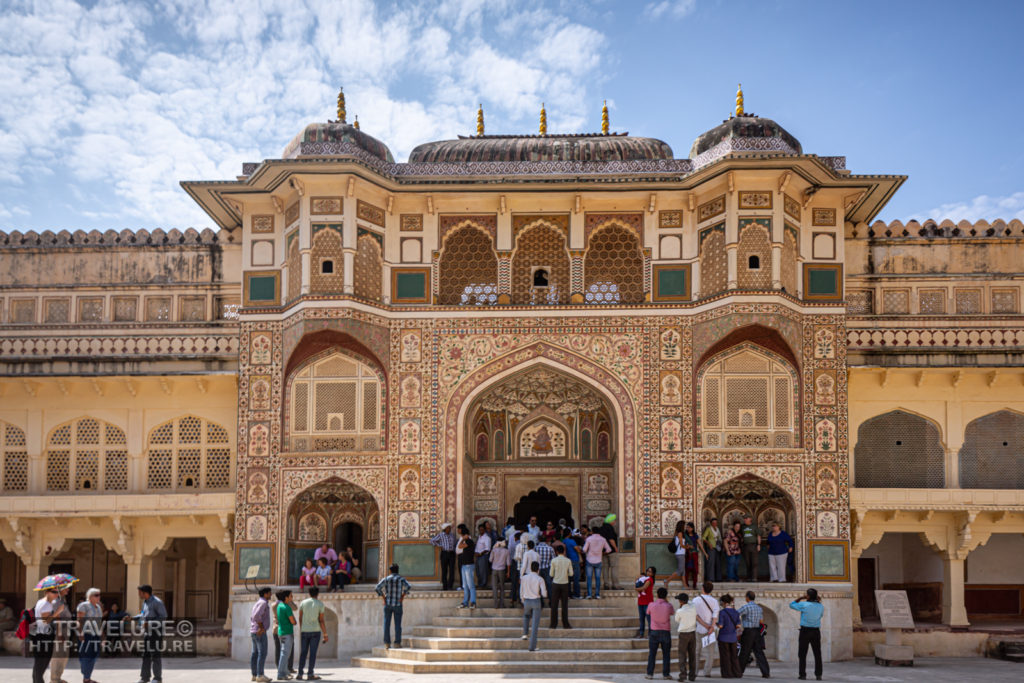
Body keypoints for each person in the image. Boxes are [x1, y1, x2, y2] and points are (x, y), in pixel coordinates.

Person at [135, 584, 167, 683]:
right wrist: (132, 618)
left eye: (140, 592)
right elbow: (143, 615)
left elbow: (163, 617)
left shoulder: (157, 602)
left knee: (155, 655)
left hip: (156, 632)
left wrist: (149, 623)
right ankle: (145, 677)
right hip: (147, 632)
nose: (139, 594)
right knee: (146, 655)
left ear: (145, 593)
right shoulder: (145, 602)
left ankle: (157, 678)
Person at [790, 588, 824, 681]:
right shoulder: (821, 606)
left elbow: (791, 605)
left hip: (805, 631)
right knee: (817, 654)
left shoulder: (804, 604)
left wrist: (800, 598)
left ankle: (802, 675)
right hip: (816, 631)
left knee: (802, 654)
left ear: (807, 596)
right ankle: (818, 675)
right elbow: (820, 616)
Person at [375, 564, 412, 649]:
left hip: (388, 603)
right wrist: (402, 596)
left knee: (386, 624)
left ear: (390, 571)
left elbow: (377, 588)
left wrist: (383, 597)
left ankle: (387, 643)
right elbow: (408, 586)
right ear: (398, 570)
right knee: (398, 624)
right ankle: (397, 643)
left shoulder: (386, 579)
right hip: (398, 604)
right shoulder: (401, 579)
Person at [297, 586, 327, 681]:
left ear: (309, 593)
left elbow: (300, 617)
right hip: (315, 631)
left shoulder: (303, 603)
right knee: (312, 653)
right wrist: (325, 634)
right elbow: (321, 620)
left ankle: (300, 673)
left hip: (305, 631)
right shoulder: (320, 604)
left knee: (303, 652)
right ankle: (310, 673)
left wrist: (302, 628)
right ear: (317, 594)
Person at [737, 590, 770, 678]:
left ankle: (739, 671)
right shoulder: (759, 608)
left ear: (747, 597)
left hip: (748, 631)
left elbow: (736, 614)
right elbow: (761, 621)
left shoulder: (746, 607)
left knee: (744, 652)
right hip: (757, 631)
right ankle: (766, 672)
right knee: (759, 652)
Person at [645, 586, 675, 680]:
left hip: (654, 631)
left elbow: (648, 613)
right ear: (666, 596)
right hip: (665, 632)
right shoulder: (669, 606)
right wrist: (666, 601)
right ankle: (666, 674)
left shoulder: (651, 605)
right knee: (666, 654)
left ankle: (650, 674)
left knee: (652, 654)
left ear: (657, 595)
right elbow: (672, 613)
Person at [31, 587, 60, 683]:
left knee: (39, 662)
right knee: (42, 662)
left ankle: (36, 680)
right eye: (54, 592)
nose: (56, 594)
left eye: (57, 592)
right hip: (44, 635)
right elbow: (45, 621)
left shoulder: (40, 602)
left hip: (40, 634)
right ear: (47, 592)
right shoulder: (46, 604)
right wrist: (57, 612)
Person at [76, 588, 104, 683]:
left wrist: (102, 635)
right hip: (86, 634)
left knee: (94, 655)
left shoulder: (98, 607)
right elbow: (79, 620)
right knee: (86, 655)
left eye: (99, 595)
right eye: (96, 595)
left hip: (96, 635)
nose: (99, 597)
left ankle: (87, 675)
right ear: (90, 596)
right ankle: (86, 677)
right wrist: (80, 633)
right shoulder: (83, 605)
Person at [519, 561, 547, 652]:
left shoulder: (524, 578)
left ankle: (525, 633)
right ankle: (532, 647)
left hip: (526, 601)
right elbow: (544, 594)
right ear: (538, 569)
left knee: (526, 616)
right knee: (535, 625)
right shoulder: (540, 579)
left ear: (530, 568)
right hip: (536, 601)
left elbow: (521, 590)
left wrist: (522, 600)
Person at [694, 581, 720, 678]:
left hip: (699, 628)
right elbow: (715, 616)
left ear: (702, 588)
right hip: (711, 630)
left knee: (697, 651)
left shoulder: (695, 600)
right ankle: (707, 672)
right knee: (710, 652)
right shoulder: (714, 601)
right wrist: (711, 627)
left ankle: (695, 671)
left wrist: (705, 625)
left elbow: (696, 615)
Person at [49, 585, 72, 683]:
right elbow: (57, 618)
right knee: (58, 655)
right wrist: (59, 633)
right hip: (60, 630)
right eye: (66, 587)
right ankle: (54, 679)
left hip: (65, 629)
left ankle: (58, 678)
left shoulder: (62, 601)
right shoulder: (56, 602)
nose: (68, 589)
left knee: (63, 655)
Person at [250, 586, 273, 683]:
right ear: (265, 594)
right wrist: (261, 627)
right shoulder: (263, 603)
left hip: (254, 631)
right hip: (259, 632)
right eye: (269, 593)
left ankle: (255, 675)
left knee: (255, 653)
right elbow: (256, 616)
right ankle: (260, 675)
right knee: (262, 653)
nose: (271, 595)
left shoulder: (259, 602)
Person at [716, 594, 742, 678]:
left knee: (725, 656)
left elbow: (721, 625)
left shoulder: (722, 612)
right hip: (733, 637)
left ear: (723, 602)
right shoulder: (736, 612)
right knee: (734, 656)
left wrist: (715, 624)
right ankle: (737, 673)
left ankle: (727, 674)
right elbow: (738, 625)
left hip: (723, 637)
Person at [582, 526, 611, 599]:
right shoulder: (603, 539)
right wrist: (602, 553)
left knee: (589, 578)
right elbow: (609, 550)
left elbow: (584, 549)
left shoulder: (589, 539)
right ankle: (597, 594)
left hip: (589, 560)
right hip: (598, 560)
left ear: (592, 531)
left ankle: (589, 594)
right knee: (598, 578)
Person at [675, 593, 698, 682]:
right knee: (692, 655)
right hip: (692, 633)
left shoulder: (680, 611)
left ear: (680, 602)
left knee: (682, 655)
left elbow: (677, 620)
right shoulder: (693, 607)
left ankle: (683, 675)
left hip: (683, 634)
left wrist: (681, 607)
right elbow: (690, 602)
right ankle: (692, 675)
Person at [549, 544, 573, 629]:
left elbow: (551, 574)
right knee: (564, 605)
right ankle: (565, 624)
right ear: (564, 551)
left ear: (556, 552)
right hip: (565, 584)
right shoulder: (568, 560)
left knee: (554, 605)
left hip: (556, 583)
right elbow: (571, 574)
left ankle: (553, 624)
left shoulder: (553, 560)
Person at [275, 589, 296, 681]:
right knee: (285, 654)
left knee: (284, 653)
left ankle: (285, 672)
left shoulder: (279, 606)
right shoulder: (287, 607)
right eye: (291, 596)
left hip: (281, 632)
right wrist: (294, 621)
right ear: (286, 597)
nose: (292, 597)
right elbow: (293, 621)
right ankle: (280, 673)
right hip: (287, 633)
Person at [429, 522, 457, 591]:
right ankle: (445, 587)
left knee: (452, 570)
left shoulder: (452, 535)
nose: (449, 529)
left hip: (452, 554)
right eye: (448, 528)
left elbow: (455, 543)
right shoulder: (441, 535)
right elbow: (432, 541)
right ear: (445, 529)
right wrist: (439, 546)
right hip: (444, 553)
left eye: (450, 528)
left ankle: (450, 586)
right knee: (444, 570)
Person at [663, 520, 689, 590]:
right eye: (684, 525)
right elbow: (681, 544)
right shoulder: (680, 533)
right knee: (680, 570)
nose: (685, 527)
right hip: (680, 554)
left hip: (681, 553)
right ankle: (667, 581)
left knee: (683, 571)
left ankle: (685, 585)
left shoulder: (678, 533)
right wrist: (686, 547)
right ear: (682, 526)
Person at [456, 526, 477, 609]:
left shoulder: (469, 541)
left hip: (469, 565)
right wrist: (462, 539)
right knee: (465, 585)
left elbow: (460, 546)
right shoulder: (465, 541)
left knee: (471, 585)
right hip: (464, 565)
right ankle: (465, 602)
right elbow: (459, 546)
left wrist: (463, 539)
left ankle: (473, 602)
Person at [598, 517, 619, 589]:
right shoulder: (610, 528)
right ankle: (615, 585)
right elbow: (611, 539)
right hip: (611, 551)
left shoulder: (601, 528)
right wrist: (615, 548)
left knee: (605, 568)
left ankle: (606, 585)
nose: (614, 522)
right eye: (613, 520)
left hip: (603, 551)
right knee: (614, 567)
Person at [634, 566, 655, 639]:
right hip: (641, 601)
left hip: (648, 602)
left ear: (653, 574)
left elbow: (644, 588)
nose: (648, 573)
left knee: (649, 619)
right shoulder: (643, 578)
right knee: (641, 619)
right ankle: (641, 633)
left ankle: (650, 634)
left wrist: (636, 589)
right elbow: (636, 582)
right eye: (647, 571)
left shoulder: (650, 580)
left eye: (650, 572)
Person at [561, 528, 582, 599]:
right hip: (574, 560)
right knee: (576, 578)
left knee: (568, 579)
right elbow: (577, 549)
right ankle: (576, 594)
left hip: (567, 561)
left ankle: (568, 594)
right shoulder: (572, 541)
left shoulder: (563, 541)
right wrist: (580, 550)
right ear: (569, 534)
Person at [739, 515, 761, 582]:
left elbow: (758, 535)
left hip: (753, 546)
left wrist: (759, 544)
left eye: (746, 518)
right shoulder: (742, 527)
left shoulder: (754, 526)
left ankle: (754, 578)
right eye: (744, 518)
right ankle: (749, 577)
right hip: (745, 546)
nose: (745, 519)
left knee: (754, 562)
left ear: (750, 519)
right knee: (748, 563)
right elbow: (739, 533)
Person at [490, 539, 510, 608]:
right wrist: (508, 572)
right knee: (502, 587)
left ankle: (495, 604)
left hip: (494, 569)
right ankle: (501, 604)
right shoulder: (506, 551)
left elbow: (490, 560)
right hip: (502, 570)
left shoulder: (494, 550)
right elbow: (508, 563)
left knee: (494, 587)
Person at [535, 538, 555, 603]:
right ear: (546, 541)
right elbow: (553, 559)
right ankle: (551, 600)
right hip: (547, 568)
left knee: (538, 585)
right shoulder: (550, 548)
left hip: (538, 568)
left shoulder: (536, 548)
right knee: (549, 584)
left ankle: (541, 602)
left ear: (539, 540)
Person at [474, 522, 492, 588]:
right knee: (478, 571)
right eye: (480, 529)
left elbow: (488, 549)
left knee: (483, 571)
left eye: (482, 529)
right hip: (478, 556)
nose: (481, 531)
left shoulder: (487, 538)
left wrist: (480, 553)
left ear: (485, 530)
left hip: (483, 556)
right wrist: (476, 553)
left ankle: (483, 584)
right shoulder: (479, 537)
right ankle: (480, 584)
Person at [683, 522, 700, 589]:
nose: (688, 529)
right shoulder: (684, 535)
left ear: (692, 528)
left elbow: (699, 544)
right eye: (687, 527)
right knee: (687, 569)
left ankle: (694, 585)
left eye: (689, 527)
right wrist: (688, 546)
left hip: (694, 554)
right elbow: (682, 544)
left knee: (695, 570)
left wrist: (705, 553)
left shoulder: (695, 535)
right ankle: (686, 584)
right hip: (688, 554)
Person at [510, 531, 524, 606]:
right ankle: (520, 599)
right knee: (520, 582)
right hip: (522, 566)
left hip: (515, 563)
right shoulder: (524, 545)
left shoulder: (517, 545)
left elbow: (515, 556)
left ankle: (513, 598)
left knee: (514, 582)